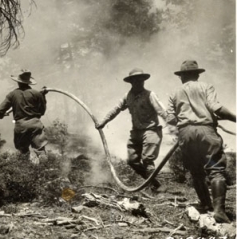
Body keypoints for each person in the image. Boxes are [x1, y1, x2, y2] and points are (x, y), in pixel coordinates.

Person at [166, 60, 235, 223]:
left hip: (185, 133)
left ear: (182, 76)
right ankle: (219, 211)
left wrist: (186, 121)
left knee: (196, 172)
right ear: (197, 74)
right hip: (206, 130)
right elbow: (216, 108)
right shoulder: (206, 86)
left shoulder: (174, 92)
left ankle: (206, 205)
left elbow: (169, 119)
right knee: (216, 170)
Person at [96, 68, 167, 192]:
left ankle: (155, 188)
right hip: (136, 132)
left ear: (144, 81)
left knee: (147, 160)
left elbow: (162, 111)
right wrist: (103, 122)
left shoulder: (150, 95)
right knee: (132, 161)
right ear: (131, 82)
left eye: (141, 80)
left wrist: (175, 124)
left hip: (151, 130)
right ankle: (155, 183)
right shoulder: (128, 96)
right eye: (136, 80)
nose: (139, 82)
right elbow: (116, 109)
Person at [0, 69, 49, 160]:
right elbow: (42, 112)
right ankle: (44, 171)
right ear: (29, 82)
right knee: (40, 151)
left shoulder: (12, 95)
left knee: (23, 151)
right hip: (35, 125)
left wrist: (1, 115)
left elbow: (0, 110)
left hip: (21, 127)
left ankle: (24, 171)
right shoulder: (37, 94)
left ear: (18, 82)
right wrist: (42, 96)